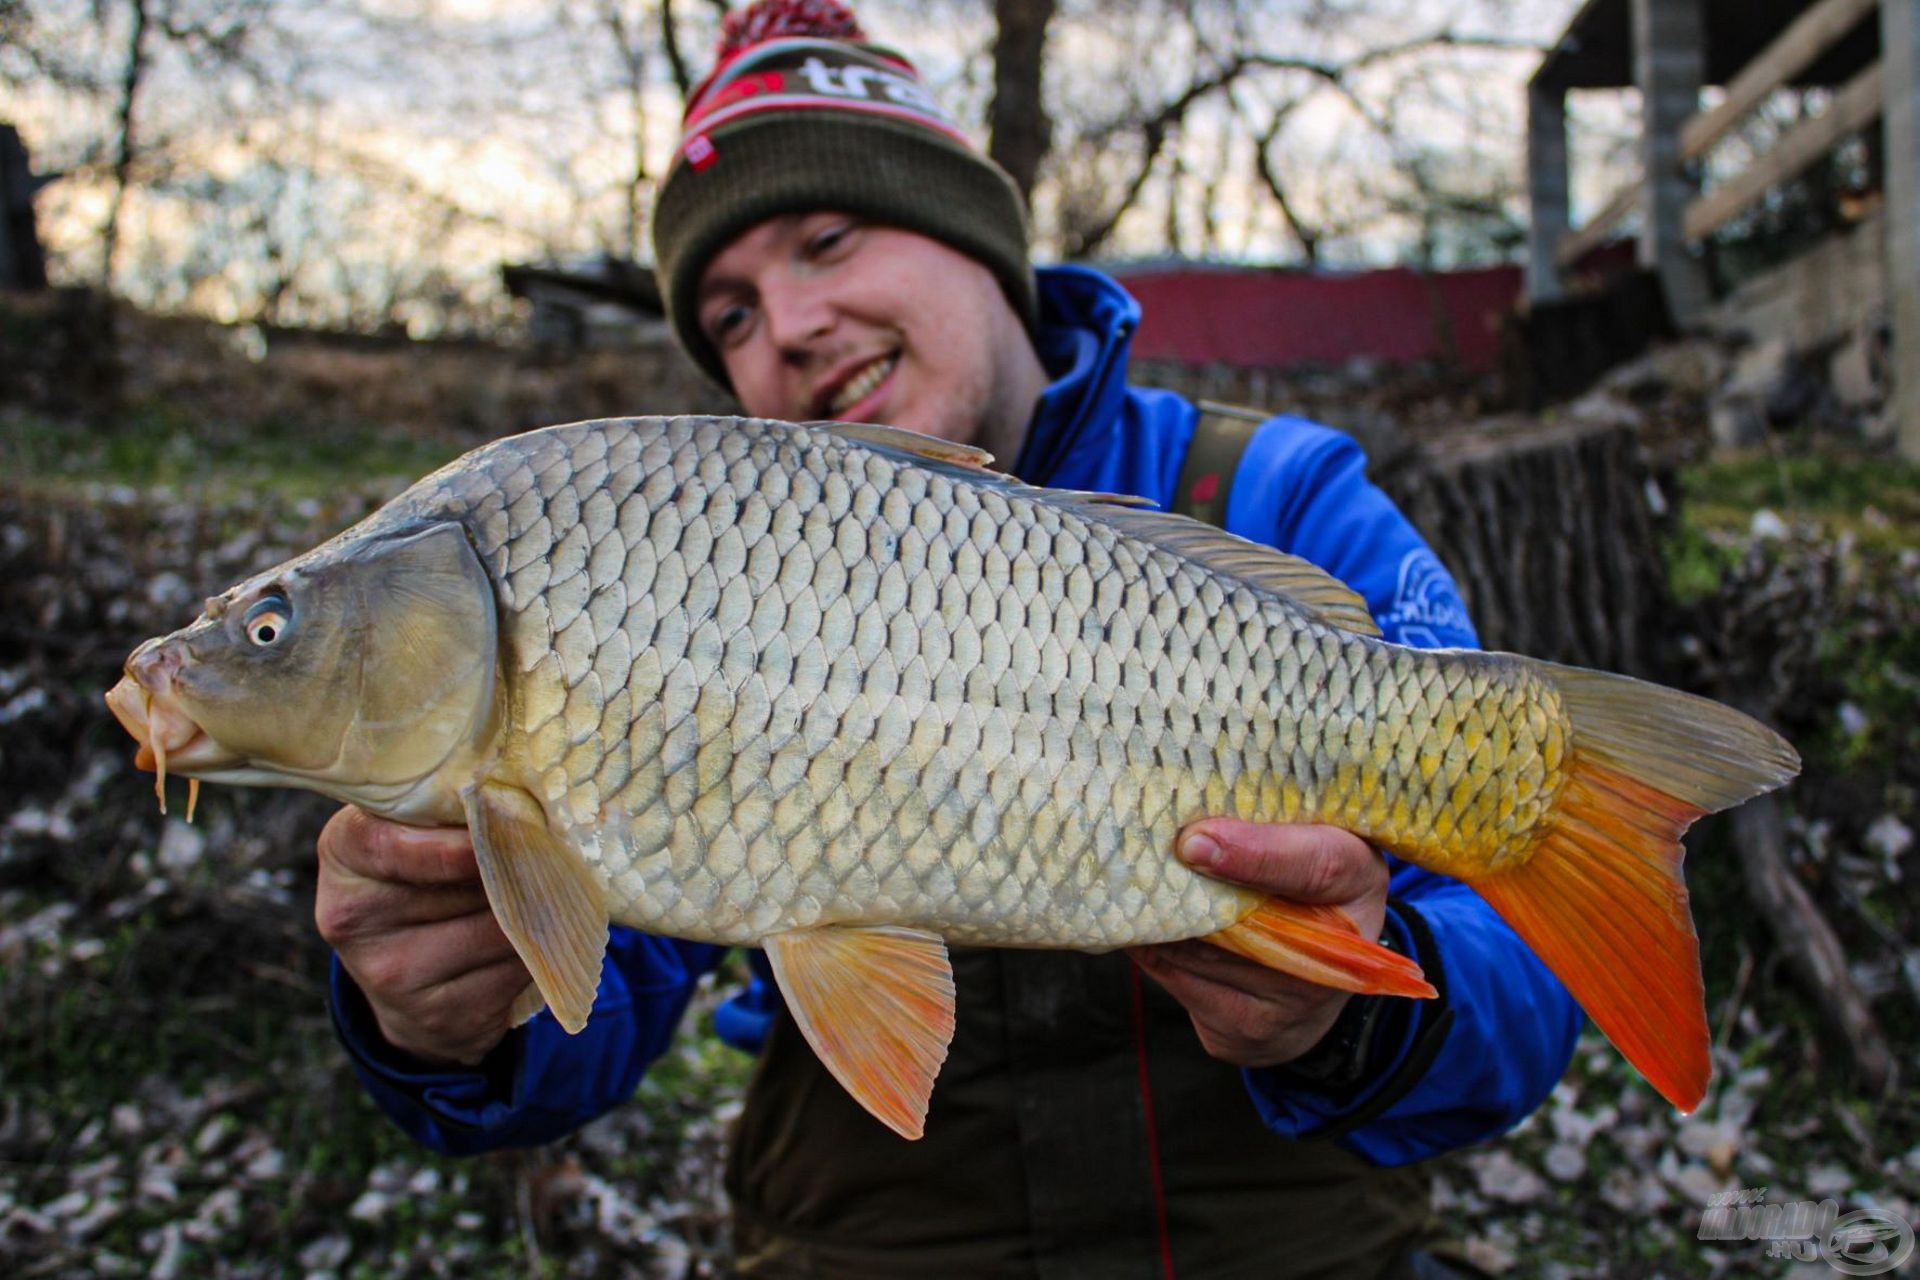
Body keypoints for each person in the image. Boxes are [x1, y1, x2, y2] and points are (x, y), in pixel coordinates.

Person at [316, 3, 1583, 1275]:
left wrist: (1343, 1008)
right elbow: (605, 994)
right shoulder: (695, 565)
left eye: (827, 238)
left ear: (977, 241)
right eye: (732, 317)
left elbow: (1520, 996)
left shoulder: (1275, 500)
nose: (792, 325)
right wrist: (445, 1017)